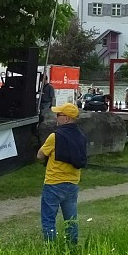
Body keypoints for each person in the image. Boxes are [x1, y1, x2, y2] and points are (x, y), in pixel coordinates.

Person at [37, 103, 88, 244]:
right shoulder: (81, 136)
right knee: (71, 220)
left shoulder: (55, 136)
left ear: (66, 118)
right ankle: (72, 247)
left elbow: (40, 155)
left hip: (53, 182)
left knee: (48, 219)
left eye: (59, 115)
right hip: (72, 183)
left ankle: (51, 249)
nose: (56, 118)